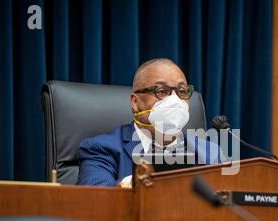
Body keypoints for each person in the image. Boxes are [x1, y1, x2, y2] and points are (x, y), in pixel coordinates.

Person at [77, 58, 222, 187]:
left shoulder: (210, 152)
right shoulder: (100, 149)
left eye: (182, 91)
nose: (175, 101)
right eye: (161, 91)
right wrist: (144, 180)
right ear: (135, 102)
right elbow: (94, 200)